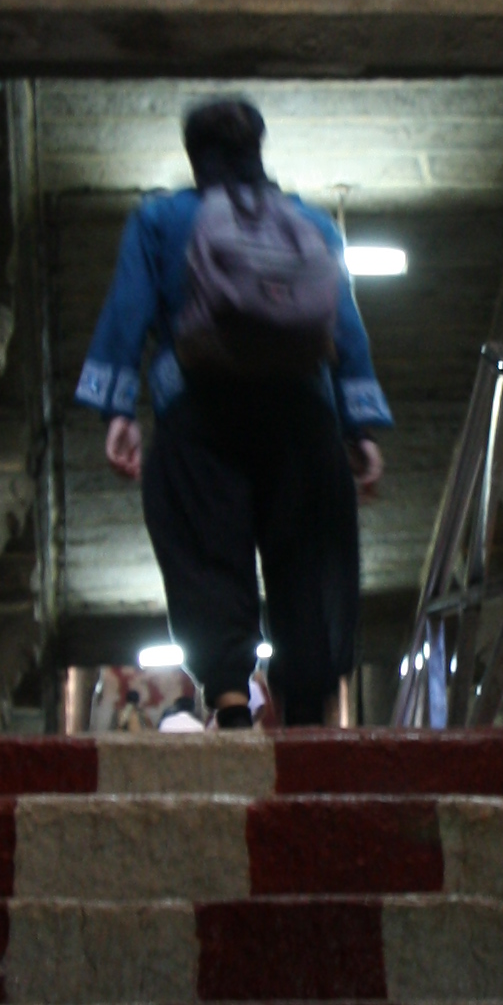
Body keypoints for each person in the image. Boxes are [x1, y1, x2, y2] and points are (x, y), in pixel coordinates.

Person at [74, 97, 390, 728]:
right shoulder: (310, 223)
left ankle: (229, 699)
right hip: (302, 413)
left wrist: (118, 410)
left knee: (205, 550)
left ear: (195, 156)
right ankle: (307, 711)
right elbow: (345, 326)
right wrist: (358, 424)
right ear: (258, 149)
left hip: (199, 410)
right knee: (309, 557)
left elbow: (127, 312)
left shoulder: (161, 219)